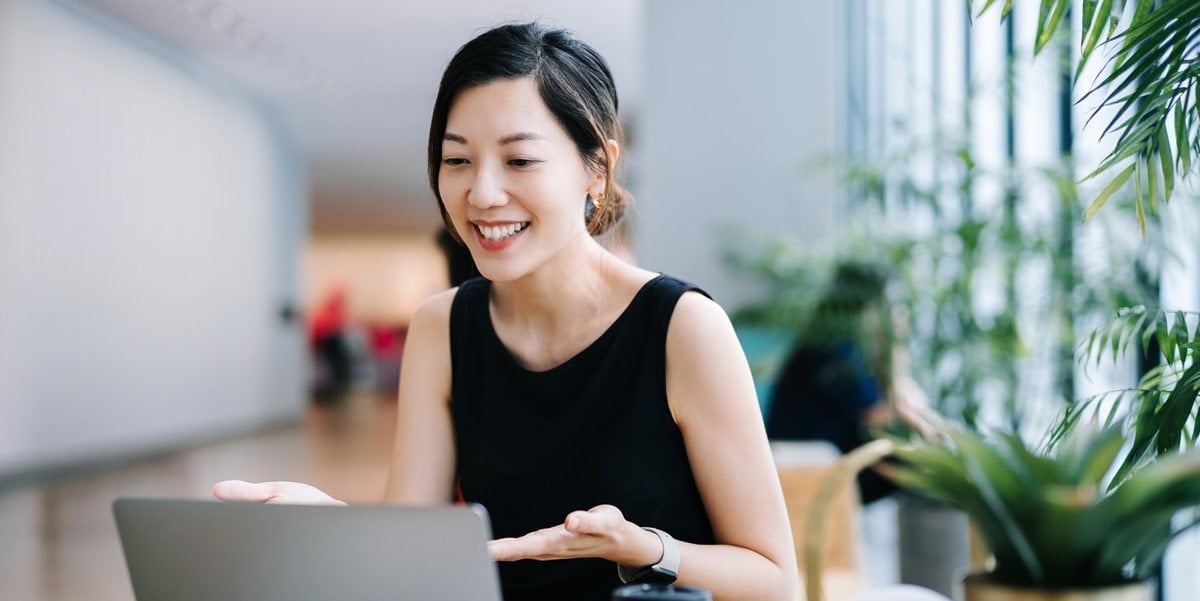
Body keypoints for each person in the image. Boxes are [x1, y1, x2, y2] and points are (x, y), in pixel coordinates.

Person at [213, 22, 798, 601]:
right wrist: (334, 519)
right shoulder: (443, 326)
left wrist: (641, 548)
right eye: (457, 160)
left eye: (519, 161)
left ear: (598, 166)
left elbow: (775, 581)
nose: (483, 193)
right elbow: (410, 555)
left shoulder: (682, 326)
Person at [765, 261, 932, 504]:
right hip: (813, 463)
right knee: (915, 464)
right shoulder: (838, 347)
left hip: (817, 455)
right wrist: (896, 348)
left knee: (905, 458)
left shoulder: (828, 337)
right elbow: (882, 414)